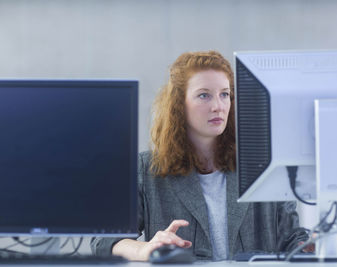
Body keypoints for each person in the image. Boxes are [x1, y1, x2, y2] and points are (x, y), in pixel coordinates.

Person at [91, 50, 308, 261]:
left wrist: (311, 246)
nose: (218, 106)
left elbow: (292, 239)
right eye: (204, 95)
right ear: (179, 105)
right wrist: (145, 249)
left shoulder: (263, 164)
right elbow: (104, 241)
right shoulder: (145, 169)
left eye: (225, 94)